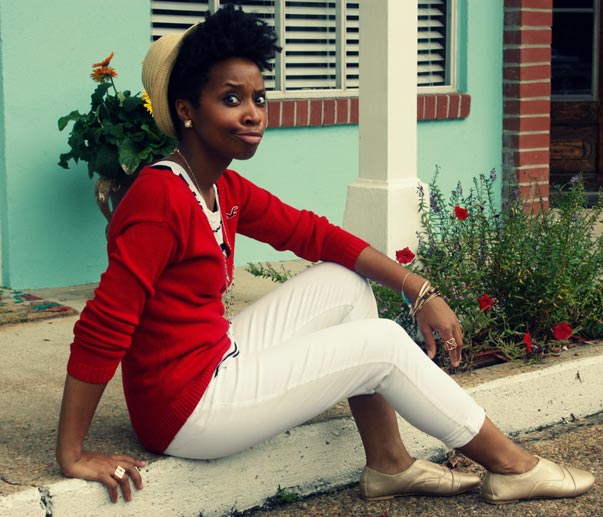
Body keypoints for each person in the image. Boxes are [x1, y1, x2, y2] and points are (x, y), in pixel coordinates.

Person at [56, 4, 595, 506]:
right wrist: (72, 453)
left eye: (259, 99)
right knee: (383, 344)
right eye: (231, 99)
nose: (253, 114)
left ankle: (389, 463)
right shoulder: (160, 197)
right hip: (185, 408)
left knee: (345, 283)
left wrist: (418, 287)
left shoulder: (220, 188)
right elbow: (106, 323)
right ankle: (511, 464)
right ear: (186, 111)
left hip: (215, 357)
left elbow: (315, 235)